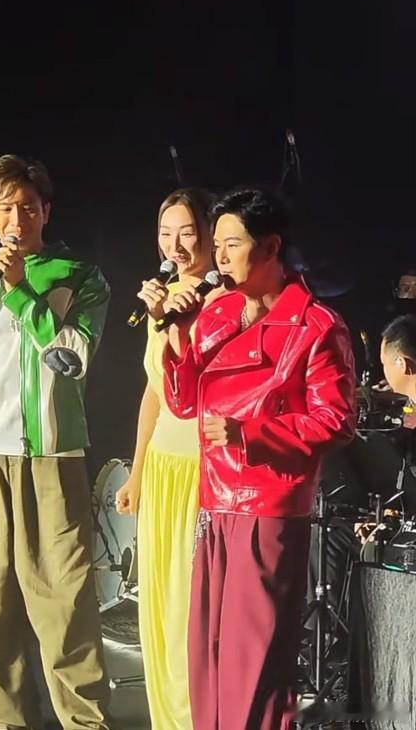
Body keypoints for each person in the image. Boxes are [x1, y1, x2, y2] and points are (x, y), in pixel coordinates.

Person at [161, 186, 356, 730]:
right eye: (217, 243)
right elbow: (184, 402)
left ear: (270, 247)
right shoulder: (217, 313)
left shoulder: (316, 325)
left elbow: (336, 420)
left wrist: (250, 433)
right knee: (208, 654)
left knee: (254, 660)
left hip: (266, 503)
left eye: (232, 244)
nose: (219, 257)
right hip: (214, 498)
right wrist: (178, 333)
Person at [0, 154, 111, 730]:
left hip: (50, 459)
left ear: (46, 212)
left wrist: (17, 291)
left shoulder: (79, 276)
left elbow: (72, 358)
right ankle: (6, 721)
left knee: (64, 606)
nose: (17, 219)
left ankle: (85, 722)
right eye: (6, 207)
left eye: (28, 207)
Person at [115, 187, 220, 729]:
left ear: (210, 233)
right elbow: (154, 391)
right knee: (156, 604)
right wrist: (136, 472)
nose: (175, 245)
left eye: (187, 232)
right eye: (165, 233)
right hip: (161, 466)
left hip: (203, 467)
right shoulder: (163, 300)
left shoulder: (223, 298)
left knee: (190, 606)